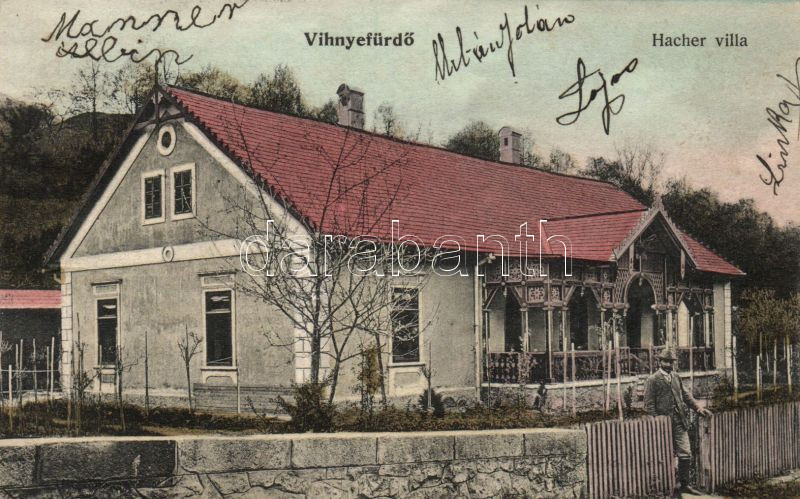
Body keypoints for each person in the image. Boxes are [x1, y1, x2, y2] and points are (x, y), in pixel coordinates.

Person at [643, 348, 712, 495]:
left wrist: (698, 408)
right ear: (660, 362)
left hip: (679, 421)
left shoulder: (676, 377)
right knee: (664, 454)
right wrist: (656, 422)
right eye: (666, 362)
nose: (669, 365)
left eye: (671, 362)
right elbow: (649, 405)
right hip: (663, 424)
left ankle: (684, 485)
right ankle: (666, 488)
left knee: (685, 451)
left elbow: (686, 396)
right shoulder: (652, 380)